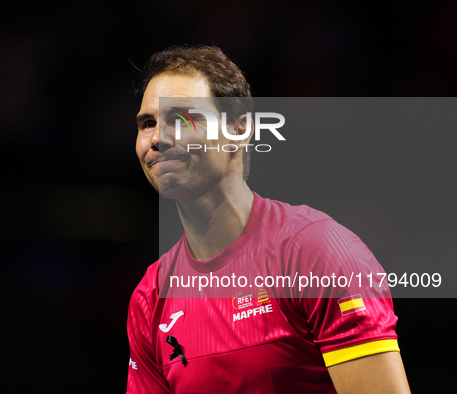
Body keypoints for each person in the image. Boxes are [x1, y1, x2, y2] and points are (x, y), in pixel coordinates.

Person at [127, 45, 411, 394]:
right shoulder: (151, 296)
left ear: (240, 130)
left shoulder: (314, 251)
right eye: (148, 123)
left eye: (182, 119)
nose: (157, 138)